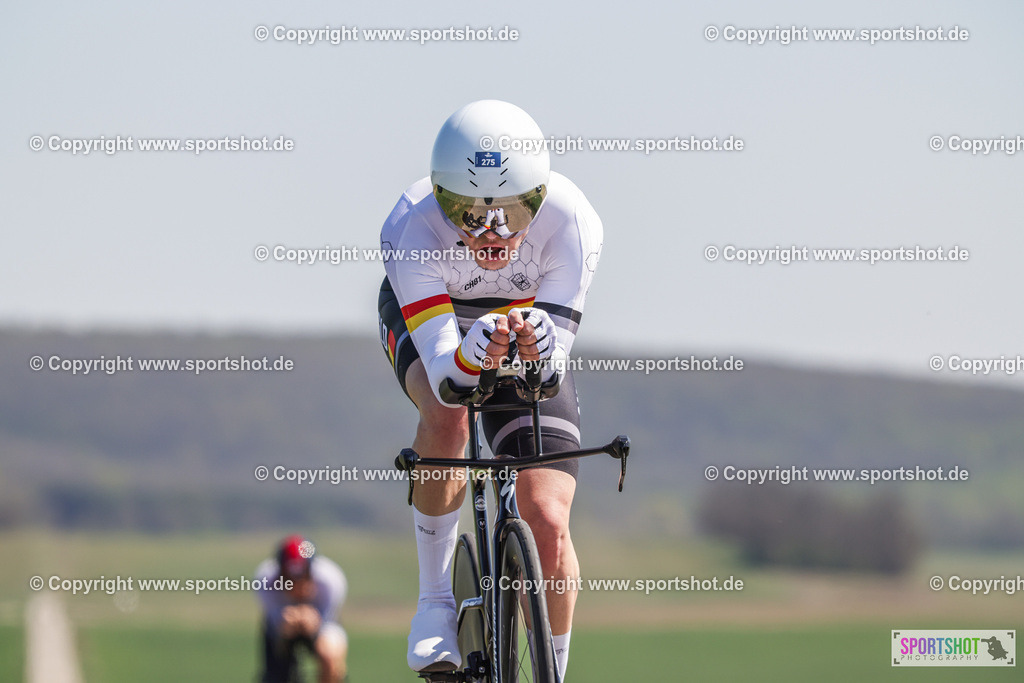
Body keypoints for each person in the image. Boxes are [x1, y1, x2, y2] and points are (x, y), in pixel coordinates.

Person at [377, 100, 603, 682]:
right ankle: (434, 601)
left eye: (511, 210)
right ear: (439, 197)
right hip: (437, 320)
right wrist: (467, 353)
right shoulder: (411, 225)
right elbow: (450, 380)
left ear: (541, 195)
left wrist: (540, 349)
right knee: (447, 416)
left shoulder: (573, 221)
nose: (490, 232)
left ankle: (553, 670)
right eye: (467, 212)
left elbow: (547, 374)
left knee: (548, 517)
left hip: (526, 323)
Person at [254, 535, 349, 683]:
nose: (296, 584)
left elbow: (329, 620)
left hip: (322, 622)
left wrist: (313, 623)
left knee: (330, 658)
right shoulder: (265, 579)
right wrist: (286, 622)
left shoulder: (331, 581)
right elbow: (274, 621)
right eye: (289, 579)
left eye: (302, 577)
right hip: (282, 628)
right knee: (275, 675)